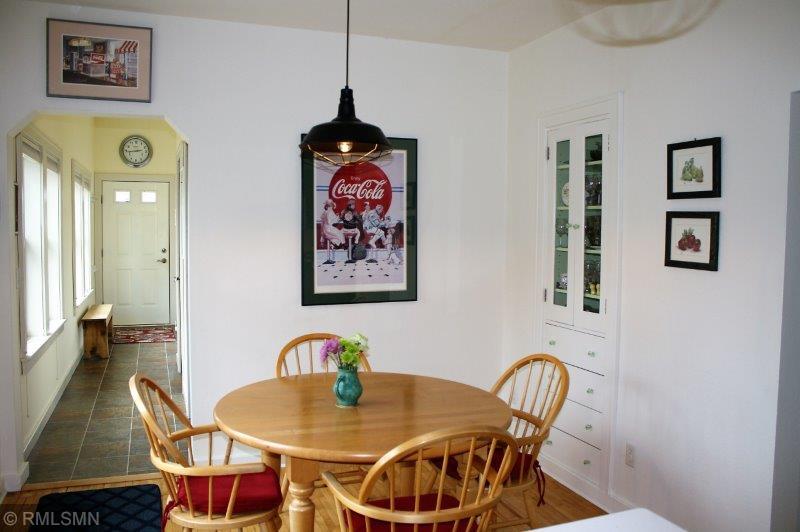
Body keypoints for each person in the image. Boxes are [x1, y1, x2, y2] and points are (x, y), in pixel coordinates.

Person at [320, 199, 343, 265]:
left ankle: (332, 245)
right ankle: (332, 244)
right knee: (340, 235)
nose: (332, 206)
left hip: (325, 229)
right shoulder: (330, 211)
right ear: (329, 206)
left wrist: (322, 235)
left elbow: (323, 223)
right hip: (329, 229)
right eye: (331, 205)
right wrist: (338, 216)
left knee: (339, 235)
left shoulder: (324, 212)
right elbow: (333, 222)